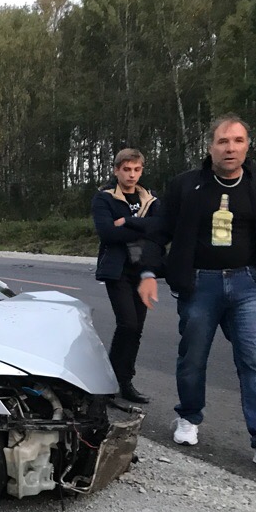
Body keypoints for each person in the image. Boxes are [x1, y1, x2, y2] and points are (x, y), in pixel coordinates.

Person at [138, 113, 256, 470]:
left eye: (237, 141)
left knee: (254, 358)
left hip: (247, 283)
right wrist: (146, 270)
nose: (230, 148)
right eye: (223, 141)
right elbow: (159, 230)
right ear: (210, 147)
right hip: (199, 283)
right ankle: (189, 417)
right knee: (193, 357)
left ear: (247, 146)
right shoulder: (187, 186)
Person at [91, 148, 160, 404]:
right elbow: (108, 234)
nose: (132, 175)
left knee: (136, 329)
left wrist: (127, 222)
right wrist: (142, 228)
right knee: (127, 324)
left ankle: (125, 383)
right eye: (126, 169)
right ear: (116, 170)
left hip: (142, 270)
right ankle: (108, 382)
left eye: (137, 169)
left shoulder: (149, 198)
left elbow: (160, 228)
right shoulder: (104, 198)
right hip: (117, 270)